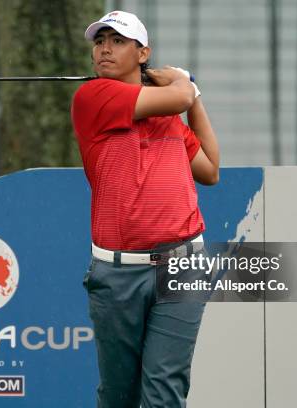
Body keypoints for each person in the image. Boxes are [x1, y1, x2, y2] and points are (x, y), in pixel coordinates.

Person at [70, 10, 220, 408]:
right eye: (99, 41)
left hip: (183, 265)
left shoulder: (170, 118)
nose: (104, 48)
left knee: (164, 391)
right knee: (119, 395)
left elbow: (210, 169)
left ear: (142, 53)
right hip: (118, 274)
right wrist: (183, 84)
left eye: (118, 41)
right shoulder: (93, 97)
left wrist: (195, 98)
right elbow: (180, 94)